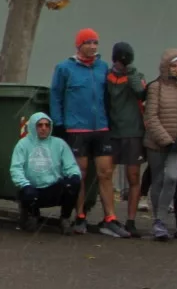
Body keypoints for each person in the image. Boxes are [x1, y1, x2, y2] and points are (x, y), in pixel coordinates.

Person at [50, 28, 128, 236]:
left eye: (95, 43)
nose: (93, 47)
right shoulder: (64, 68)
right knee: (80, 174)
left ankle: (110, 217)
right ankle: (80, 215)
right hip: (77, 128)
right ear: (79, 45)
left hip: (101, 127)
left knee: (106, 173)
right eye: (88, 43)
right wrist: (58, 123)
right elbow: (56, 95)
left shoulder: (102, 67)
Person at [143, 49, 177, 241]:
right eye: (174, 66)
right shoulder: (155, 87)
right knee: (158, 179)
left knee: (172, 178)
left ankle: (163, 217)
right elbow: (151, 115)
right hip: (157, 144)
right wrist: (165, 139)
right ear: (167, 67)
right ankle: (159, 222)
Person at [10, 112, 82, 233]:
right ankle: (32, 215)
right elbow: (15, 168)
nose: (44, 128)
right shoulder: (23, 144)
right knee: (27, 194)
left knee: (73, 185)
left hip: (53, 187)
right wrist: (25, 184)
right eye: (40, 125)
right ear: (33, 126)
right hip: (32, 188)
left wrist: (74, 175)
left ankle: (65, 218)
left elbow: (71, 165)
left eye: (47, 125)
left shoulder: (59, 144)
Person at [105, 42, 148, 236]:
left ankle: (131, 220)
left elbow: (141, 92)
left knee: (133, 177)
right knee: (106, 175)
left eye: (124, 60)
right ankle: (110, 217)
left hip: (133, 133)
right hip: (112, 132)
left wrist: (130, 72)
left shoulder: (136, 77)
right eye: (119, 60)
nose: (121, 64)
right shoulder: (106, 77)